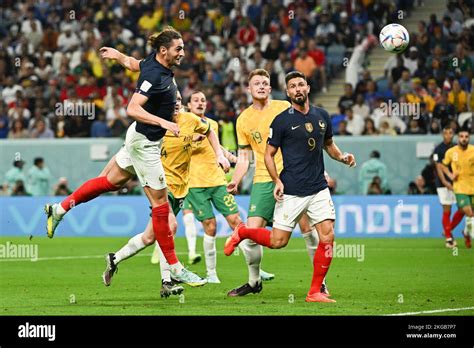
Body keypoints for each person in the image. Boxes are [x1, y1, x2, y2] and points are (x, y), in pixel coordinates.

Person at [44, 27, 217, 287]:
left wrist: (117, 55)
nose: (182, 53)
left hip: (138, 136)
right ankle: (175, 268)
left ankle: (59, 209)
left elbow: (134, 64)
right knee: (160, 206)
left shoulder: (152, 64)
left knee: (109, 183)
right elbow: (132, 108)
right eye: (178, 49)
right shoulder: (156, 76)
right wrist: (165, 123)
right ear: (164, 51)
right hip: (145, 143)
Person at [224, 71, 356, 303]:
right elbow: (246, 156)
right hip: (270, 180)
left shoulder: (286, 108)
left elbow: (317, 143)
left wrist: (338, 160)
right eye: (257, 83)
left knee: (317, 233)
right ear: (249, 88)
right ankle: (254, 280)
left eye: (266, 82)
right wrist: (237, 178)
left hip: (304, 181)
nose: (262, 86)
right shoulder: (245, 119)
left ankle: (318, 286)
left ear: (307, 87)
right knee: (272, 239)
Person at [102, 91, 228, 296]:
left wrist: (220, 155)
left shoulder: (190, 120)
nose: (176, 103)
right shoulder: (151, 127)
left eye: (179, 100)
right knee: (170, 226)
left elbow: (210, 132)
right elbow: (125, 152)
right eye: (173, 100)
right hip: (159, 187)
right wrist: (104, 177)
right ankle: (167, 279)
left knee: (150, 237)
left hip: (180, 189)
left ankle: (114, 259)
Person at [174, 91, 240, 283]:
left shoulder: (213, 125)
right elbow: (176, 151)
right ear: (188, 105)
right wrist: (190, 140)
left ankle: (256, 270)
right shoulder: (181, 125)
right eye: (196, 100)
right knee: (210, 227)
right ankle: (211, 274)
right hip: (195, 184)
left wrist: (232, 158)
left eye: (203, 100)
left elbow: (216, 147)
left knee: (237, 222)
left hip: (218, 181)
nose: (200, 103)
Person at [440, 128, 474, 249]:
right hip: (459, 187)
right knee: (469, 213)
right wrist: (449, 175)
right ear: (458, 138)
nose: (464, 139)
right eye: (461, 136)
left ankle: (466, 233)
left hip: (472, 187)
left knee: (470, 214)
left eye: (466, 136)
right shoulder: (451, 152)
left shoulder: (473, 150)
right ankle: (457, 234)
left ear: (468, 138)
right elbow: (442, 165)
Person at [432, 126, 459, 248]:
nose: (448, 135)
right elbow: (438, 166)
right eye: (446, 133)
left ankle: (447, 230)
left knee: (464, 208)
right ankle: (448, 238)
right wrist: (445, 182)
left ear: (453, 134)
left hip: (458, 182)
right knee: (447, 209)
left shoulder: (456, 148)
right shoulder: (438, 149)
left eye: (450, 133)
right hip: (443, 183)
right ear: (442, 135)